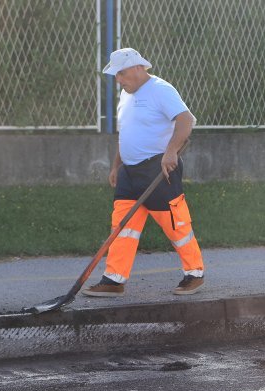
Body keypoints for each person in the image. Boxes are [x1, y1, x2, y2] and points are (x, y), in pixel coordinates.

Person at [82, 48, 204, 298]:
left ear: (138, 68)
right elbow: (126, 133)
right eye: (116, 75)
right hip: (130, 172)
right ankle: (114, 279)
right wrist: (117, 165)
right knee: (122, 226)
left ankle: (194, 273)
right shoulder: (125, 95)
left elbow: (186, 120)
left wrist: (171, 152)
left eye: (122, 73)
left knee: (176, 225)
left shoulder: (161, 89)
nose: (118, 79)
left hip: (157, 169)